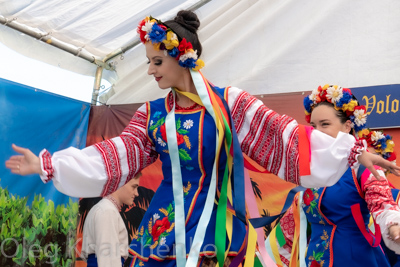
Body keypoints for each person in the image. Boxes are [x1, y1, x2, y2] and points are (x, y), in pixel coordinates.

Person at [5, 11, 400, 267]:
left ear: (184, 57)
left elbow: (284, 137)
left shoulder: (230, 104)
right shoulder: (153, 115)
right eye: (148, 63)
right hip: (166, 225)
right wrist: (50, 163)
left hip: (218, 226)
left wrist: (352, 154)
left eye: (157, 61)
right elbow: (116, 155)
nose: (150, 71)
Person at [266, 85, 400, 267]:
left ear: (347, 127)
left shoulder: (361, 167)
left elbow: (382, 202)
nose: (317, 131)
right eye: (313, 126)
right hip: (315, 260)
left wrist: (393, 226)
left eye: (325, 124)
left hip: (355, 260)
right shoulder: (310, 171)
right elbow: (290, 228)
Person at [81, 172, 142, 267]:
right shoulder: (107, 211)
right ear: (121, 183)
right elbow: (108, 260)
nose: (136, 193)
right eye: (134, 187)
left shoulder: (105, 209)